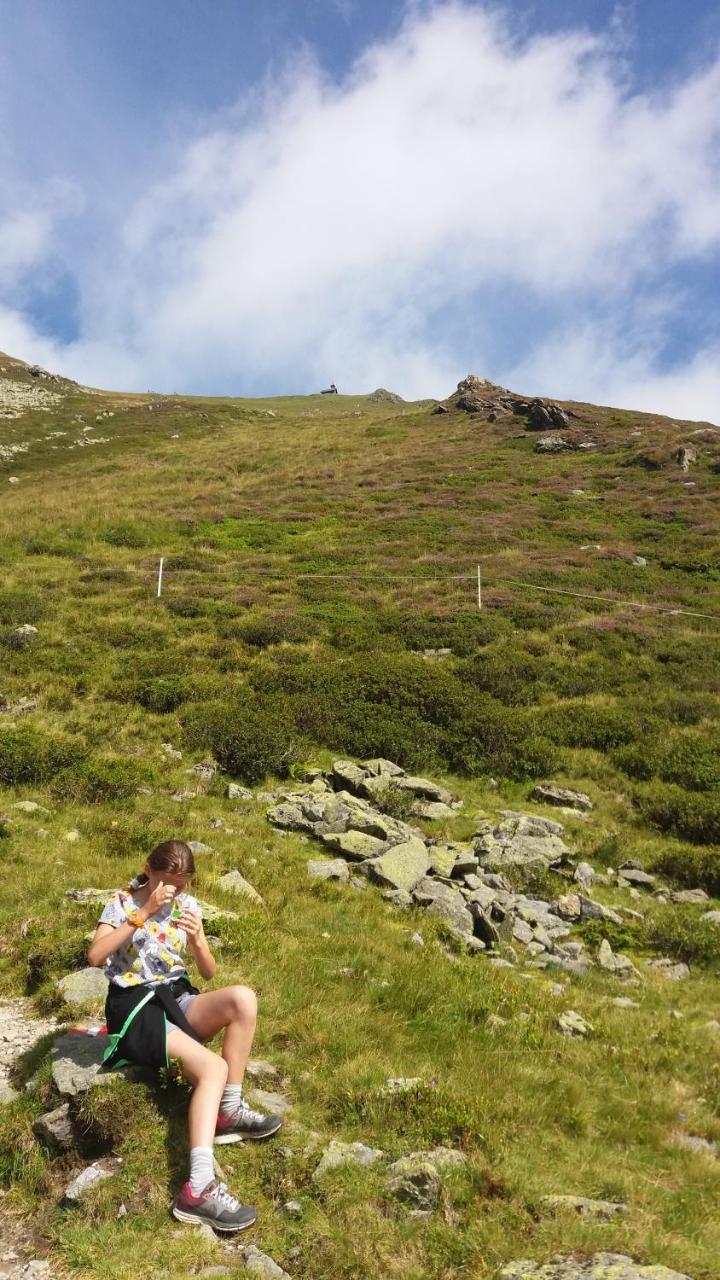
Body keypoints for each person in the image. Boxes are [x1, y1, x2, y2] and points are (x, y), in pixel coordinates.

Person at [87, 839, 282, 1232]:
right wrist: (144, 912)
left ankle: (228, 1110)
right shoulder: (123, 902)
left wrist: (198, 941)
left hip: (176, 996)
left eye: (182, 884)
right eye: (167, 882)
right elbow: (95, 956)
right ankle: (198, 1189)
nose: (174, 891)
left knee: (243, 999)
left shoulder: (188, 906)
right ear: (149, 869)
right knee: (213, 1068)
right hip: (134, 1007)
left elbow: (208, 973)